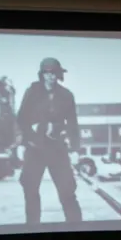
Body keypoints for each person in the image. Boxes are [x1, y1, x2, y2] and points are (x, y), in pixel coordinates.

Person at [17, 57, 82, 224]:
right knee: (30, 189)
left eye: (53, 73)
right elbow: (21, 119)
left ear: (58, 74)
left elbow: (73, 124)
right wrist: (27, 137)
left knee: (67, 191)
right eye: (46, 73)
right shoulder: (32, 92)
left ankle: (77, 230)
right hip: (35, 148)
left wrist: (75, 149)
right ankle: (33, 230)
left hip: (57, 149)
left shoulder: (67, 95)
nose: (50, 77)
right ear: (42, 74)